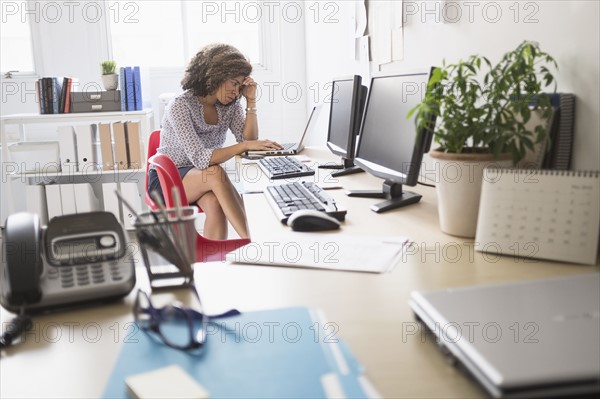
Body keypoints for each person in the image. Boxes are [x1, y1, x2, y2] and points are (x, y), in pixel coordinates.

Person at [148, 43, 282, 240]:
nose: (236, 92)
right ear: (216, 75)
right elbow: (202, 159)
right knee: (215, 173)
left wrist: (250, 102)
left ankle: (214, 262)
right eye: (234, 83)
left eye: (240, 86)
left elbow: (248, 140)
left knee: (215, 203)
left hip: (199, 177)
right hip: (168, 180)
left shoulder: (230, 105)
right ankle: (256, 240)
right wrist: (244, 145)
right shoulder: (180, 106)